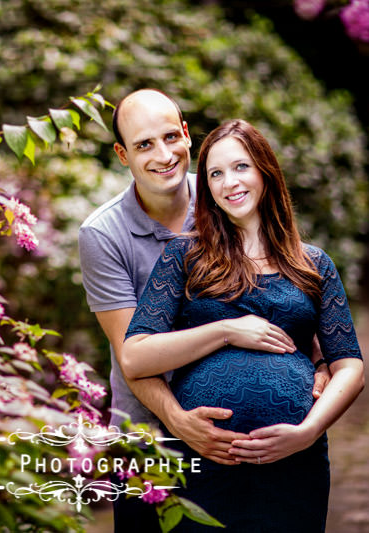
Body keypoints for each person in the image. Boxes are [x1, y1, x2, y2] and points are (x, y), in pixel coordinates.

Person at [77, 90, 330, 530]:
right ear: (122, 154)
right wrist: (178, 419)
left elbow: (281, 289)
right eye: (143, 145)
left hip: (249, 442)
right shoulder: (103, 234)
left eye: (170, 137)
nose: (163, 155)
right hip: (149, 434)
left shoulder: (225, 191)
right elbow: (131, 353)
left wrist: (321, 359)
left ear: (187, 135)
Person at [121, 118, 365, 531]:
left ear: (265, 172)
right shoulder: (184, 257)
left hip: (294, 464)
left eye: (240, 167)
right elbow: (135, 356)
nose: (229, 182)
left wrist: (308, 430)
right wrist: (226, 331)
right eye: (215, 173)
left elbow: (350, 366)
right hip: (204, 459)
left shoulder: (313, 263)